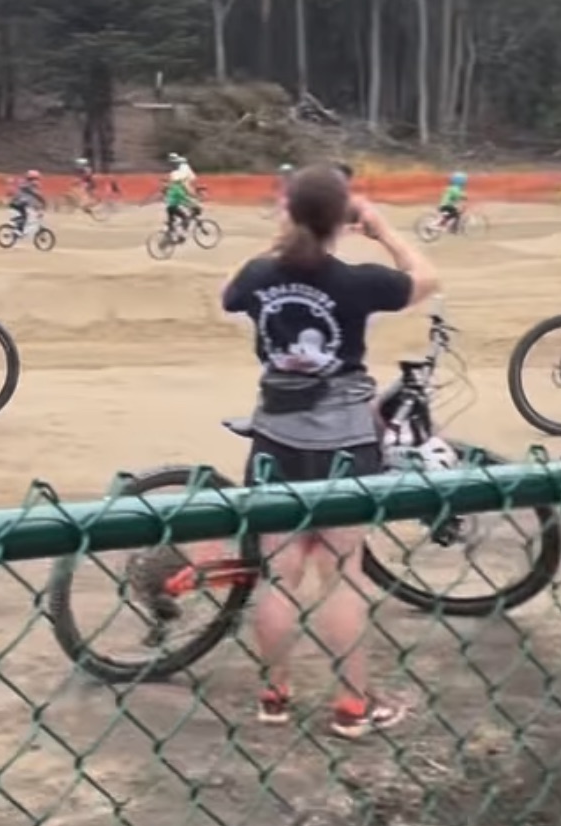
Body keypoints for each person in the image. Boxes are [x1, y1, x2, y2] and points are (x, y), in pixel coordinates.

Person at [220, 164, 439, 739]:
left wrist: (279, 238)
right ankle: (351, 705)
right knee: (342, 574)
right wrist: (383, 228)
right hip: (345, 441)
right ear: (341, 218)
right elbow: (426, 278)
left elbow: (229, 295)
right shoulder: (356, 281)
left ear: (288, 213)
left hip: (276, 438)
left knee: (279, 571)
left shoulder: (259, 274)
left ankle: (275, 695)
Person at [164, 152, 198, 242]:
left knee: (173, 222)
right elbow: (184, 198)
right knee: (185, 218)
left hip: (169, 206)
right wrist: (192, 204)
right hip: (174, 206)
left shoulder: (173, 187)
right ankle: (181, 235)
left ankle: (169, 234)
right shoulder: (178, 188)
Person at [8, 170, 45, 237]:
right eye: (35, 179)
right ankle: (18, 231)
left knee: (27, 217)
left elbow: (34, 198)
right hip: (17, 204)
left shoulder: (29, 186)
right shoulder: (27, 186)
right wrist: (42, 202)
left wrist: (39, 205)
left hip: (21, 204)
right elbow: (36, 195)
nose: (36, 181)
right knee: (23, 217)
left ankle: (21, 230)